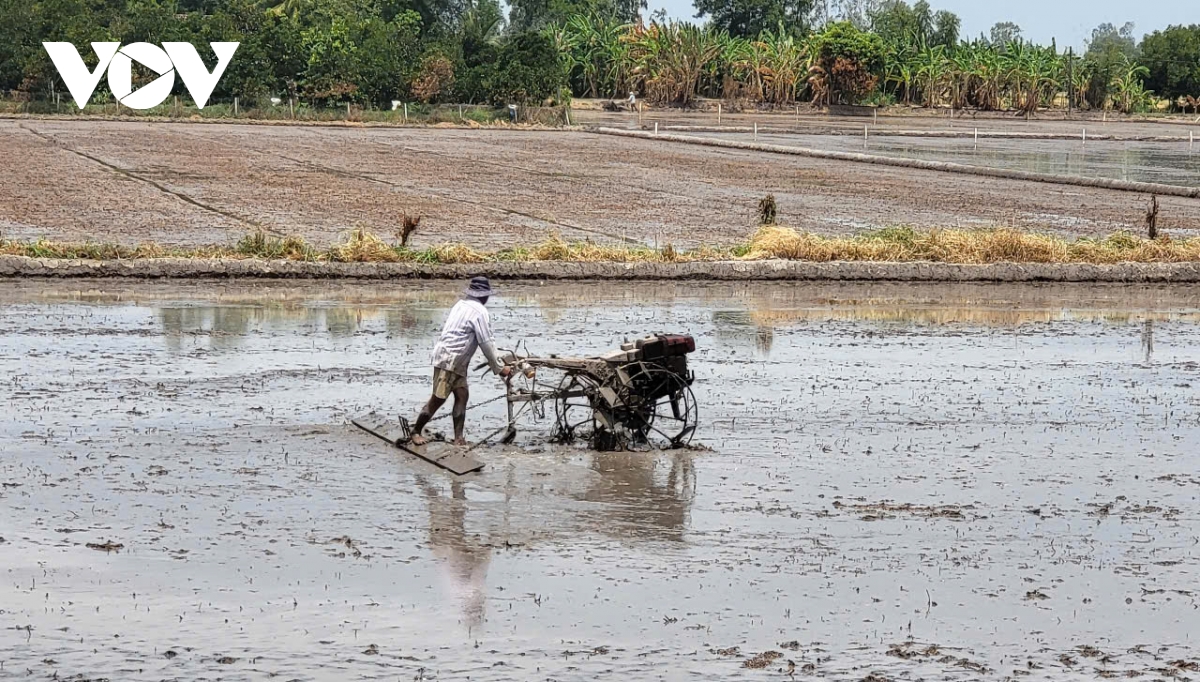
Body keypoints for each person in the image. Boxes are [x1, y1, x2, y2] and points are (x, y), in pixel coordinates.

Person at [409, 276, 511, 446]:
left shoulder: (460, 304)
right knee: (438, 399)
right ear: (484, 295)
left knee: (462, 396)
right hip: (450, 360)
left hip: (452, 359)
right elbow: (486, 342)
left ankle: (459, 438)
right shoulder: (480, 312)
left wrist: (498, 362)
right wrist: (501, 368)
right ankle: (415, 431)